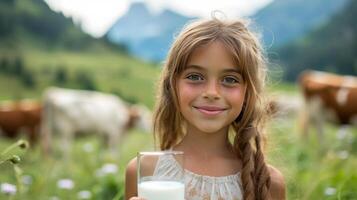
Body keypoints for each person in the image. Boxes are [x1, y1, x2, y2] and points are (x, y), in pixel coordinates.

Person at [125, 16, 286, 200]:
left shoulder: (268, 183)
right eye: (195, 77)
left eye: (230, 79)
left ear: (248, 93)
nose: (211, 92)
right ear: (172, 85)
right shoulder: (146, 172)